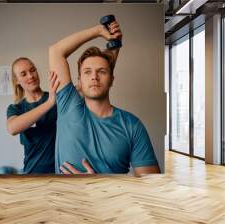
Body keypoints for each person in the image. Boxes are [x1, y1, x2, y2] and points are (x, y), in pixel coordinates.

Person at [49, 20, 160, 175]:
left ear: (111, 79)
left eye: (101, 72)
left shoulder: (132, 125)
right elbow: (56, 51)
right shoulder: (68, 106)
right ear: (79, 81)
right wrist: (98, 31)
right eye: (87, 72)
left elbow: (151, 186)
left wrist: (99, 185)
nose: (94, 77)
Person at [6, 57, 60, 174]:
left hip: (59, 170)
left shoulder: (56, 98)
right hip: (33, 173)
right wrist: (49, 103)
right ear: (17, 81)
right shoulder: (16, 108)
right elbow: (12, 128)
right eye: (23, 74)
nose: (30, 76)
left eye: (32, 70)